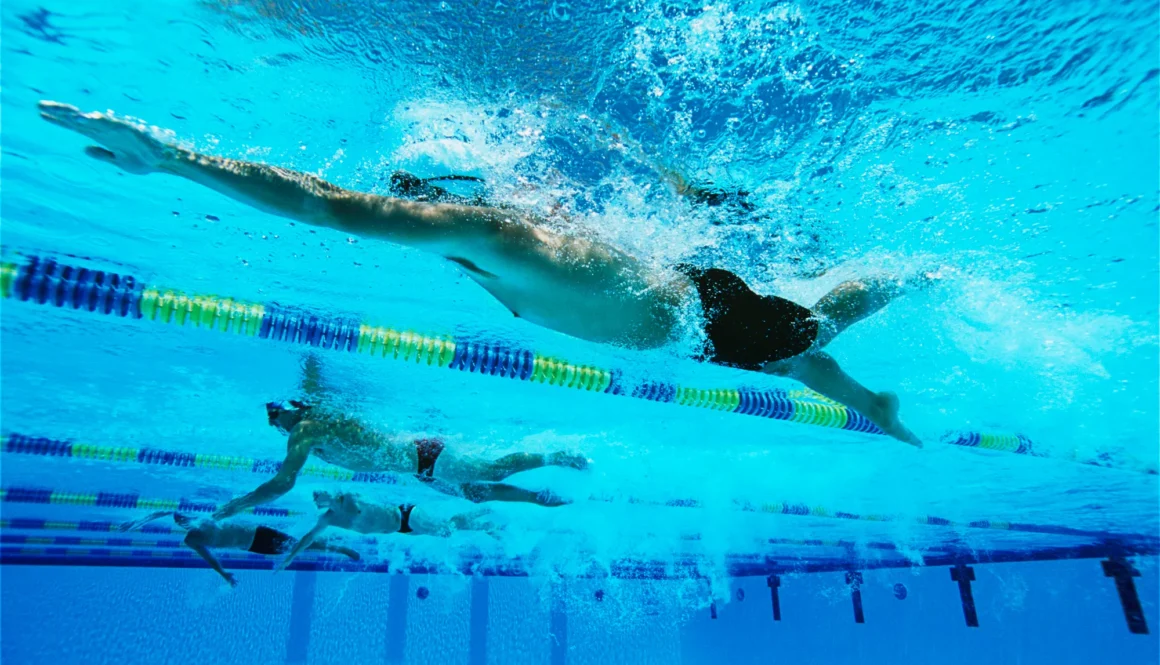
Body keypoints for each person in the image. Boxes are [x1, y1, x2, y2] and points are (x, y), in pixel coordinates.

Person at [38, 101, 922, 446]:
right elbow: (328, 203)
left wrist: (174, 159)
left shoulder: (485, 236)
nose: (394, 210)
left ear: (428, 197)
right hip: (682, 320)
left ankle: (917, 272)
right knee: (796, 362)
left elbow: (318, 205)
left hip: (696, 318)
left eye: (406, 199)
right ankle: (877, 403)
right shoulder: (485, 243)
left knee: (821, 325)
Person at [212, 354, 586, 520]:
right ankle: (539, 498)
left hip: (424, 456)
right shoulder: (314, 414)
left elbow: (282, 482)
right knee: (474, 493)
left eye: (274, 416)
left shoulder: (306, 427)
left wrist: (237, 505)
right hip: (418, 465)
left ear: (289, 411)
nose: (275, 425)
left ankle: (555, 456)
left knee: (491, 471)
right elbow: (312, 381)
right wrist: (311, 354)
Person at [119, 510, 360, 586]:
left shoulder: (201, 521)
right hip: (252, 545)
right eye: (181, 522)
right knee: (294, 548)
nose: (183, 521)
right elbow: (209, 558)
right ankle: (337, 547)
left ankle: (340, 548)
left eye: (183, 519)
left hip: (257, 533)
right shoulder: (191, 540)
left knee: (296, 546)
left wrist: (137, 521)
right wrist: (223, 574)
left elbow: (164, 512)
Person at [276, 491, 500, 571]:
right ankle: (487, 525)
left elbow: (354, 511)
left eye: (319, 494)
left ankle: (483, 510)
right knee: (446, 529)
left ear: (328, 494)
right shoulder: (328, 518)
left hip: (406, 514)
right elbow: (309, 537)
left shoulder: (349, 498)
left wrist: (334, 499)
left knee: (446, 530)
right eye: (316, 497)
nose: (317, 499)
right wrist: (290, 557)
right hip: (402, 529)